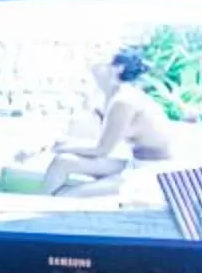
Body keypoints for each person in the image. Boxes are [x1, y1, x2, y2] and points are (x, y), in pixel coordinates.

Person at [38, 49, 175, 197]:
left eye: (100, 60)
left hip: (153, 172)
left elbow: (102, 149)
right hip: (134, 163)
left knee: (70, 195)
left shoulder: (124, 101)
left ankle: (48, 204)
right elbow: (90, 140)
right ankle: (44, 201)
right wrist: (49, 147)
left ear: (118, 68)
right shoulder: (111, 97)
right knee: (62, 161)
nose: (93, 64)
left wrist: (58, 147)